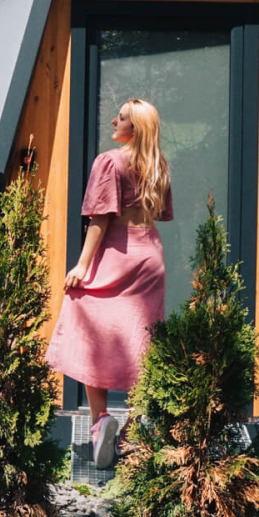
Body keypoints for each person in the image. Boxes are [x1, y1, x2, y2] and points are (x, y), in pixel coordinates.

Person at [47, 97, 173, 468]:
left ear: (134, 127)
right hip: (148, 254)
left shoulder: (110, 161)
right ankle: (131, 431)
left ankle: (100, 420)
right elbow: (159, 214)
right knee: (141, 340)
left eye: (120, 118)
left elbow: (100, 218)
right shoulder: (159, 165)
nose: (113, 122)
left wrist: (82, 265)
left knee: (89, 327)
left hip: (116, 251)